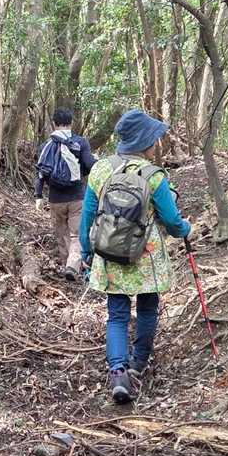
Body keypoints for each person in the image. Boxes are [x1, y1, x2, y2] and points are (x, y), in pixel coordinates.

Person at [79, 108, 192, 404]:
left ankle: (118, 373)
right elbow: (172, 221)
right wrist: (186, 229)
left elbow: (88, 214)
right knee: (147, 310)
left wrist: (86, 250)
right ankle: (138, 363)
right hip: (146, 257)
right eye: (153, 139)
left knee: (116, 315)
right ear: (143, 142)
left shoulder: (101, 170)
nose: (156, 144)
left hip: (110, 251)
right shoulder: (154, 176)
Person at [33, 107, 94, 279]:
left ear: (54, 123)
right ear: (71, 122)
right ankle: (73, 266)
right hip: (77, 197)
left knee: (61, 234)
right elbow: (90, 165)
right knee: (76, 234)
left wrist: (38, 196)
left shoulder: (46, 146)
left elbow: (40, 173)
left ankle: (66, 263)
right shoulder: (80, 142)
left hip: (55, 199)